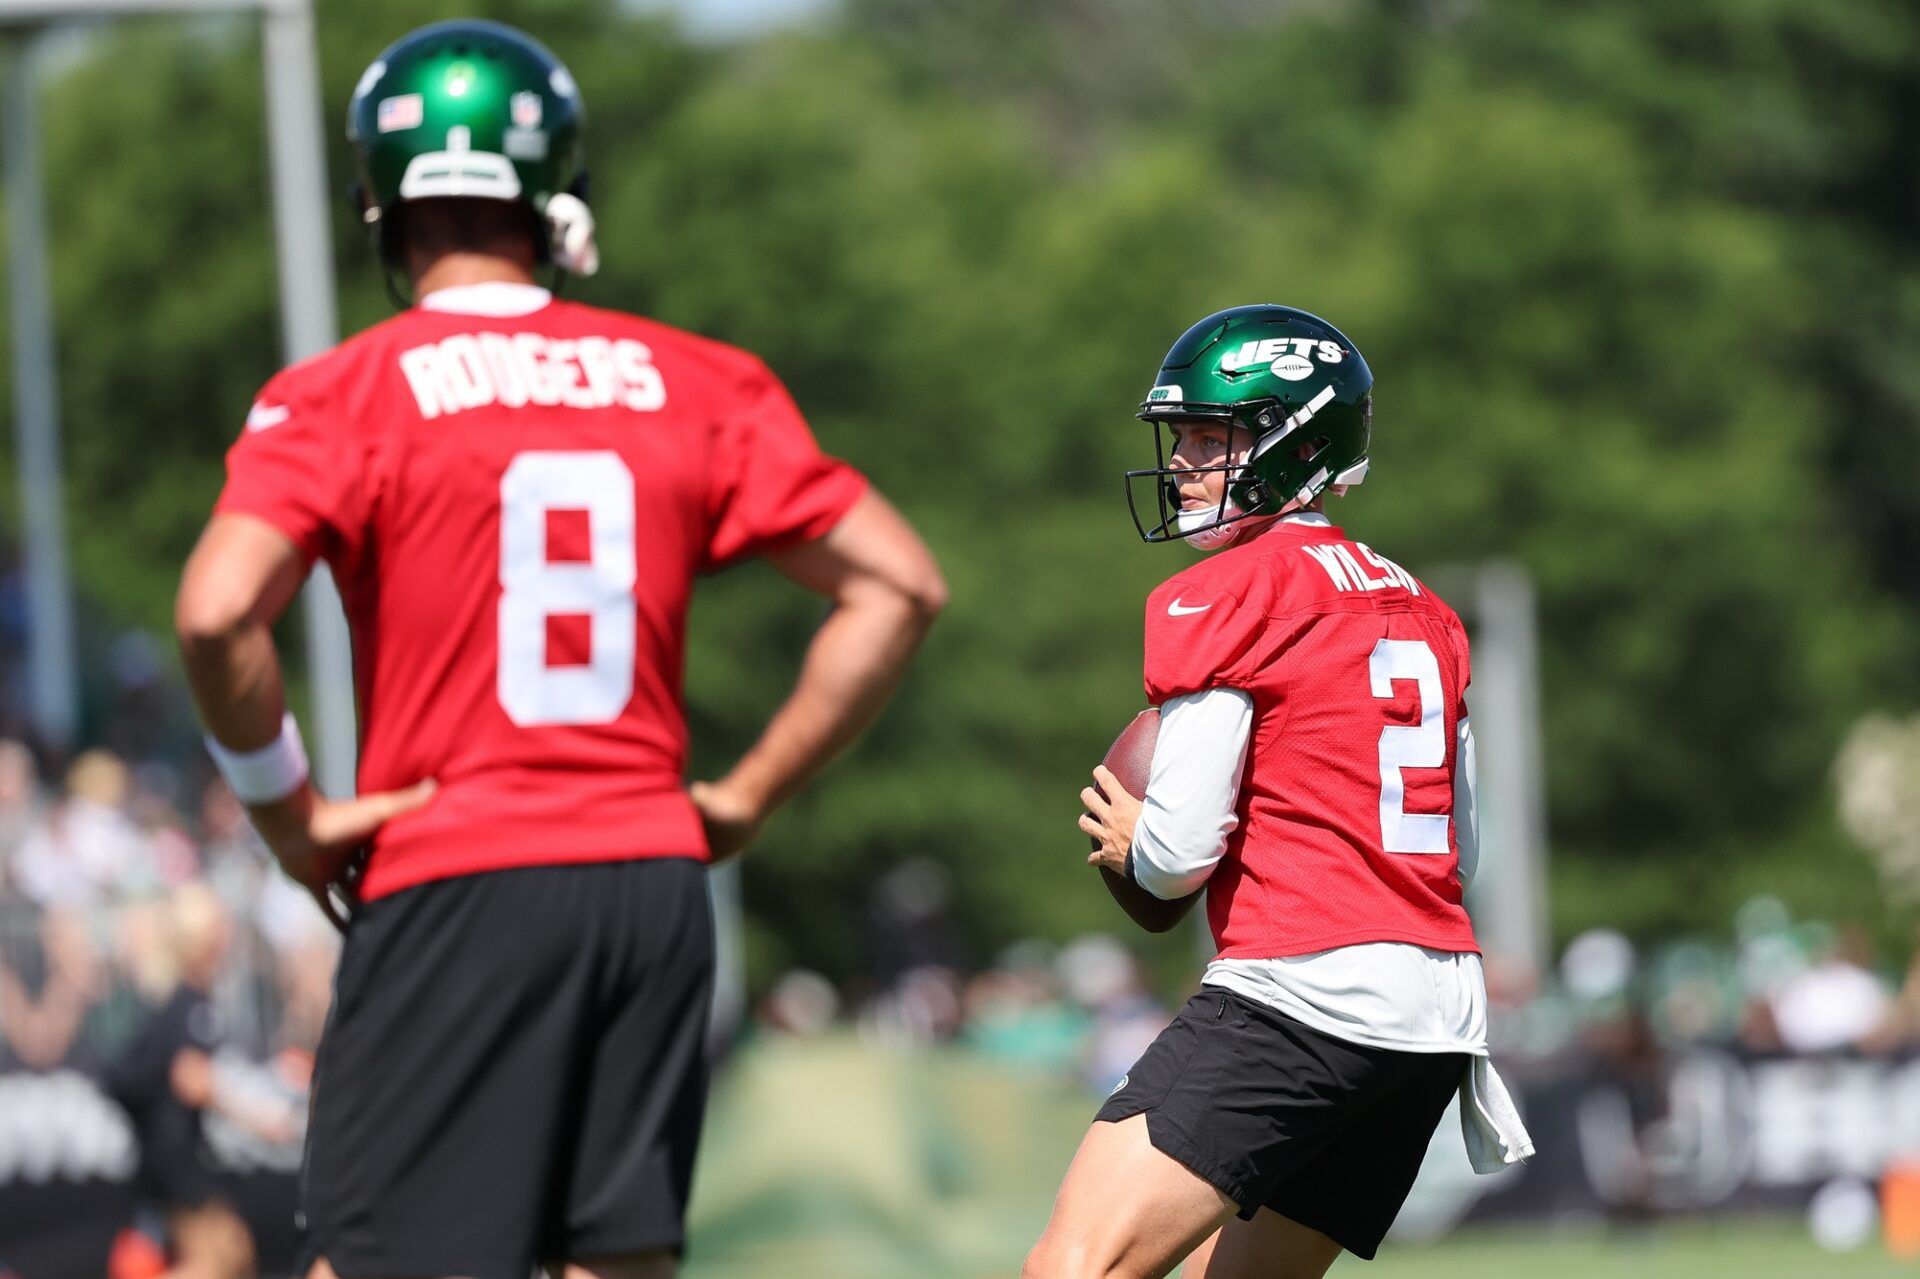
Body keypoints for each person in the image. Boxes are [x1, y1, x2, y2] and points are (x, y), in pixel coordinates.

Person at [173, 20, 944, 1279]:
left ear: (378, 196)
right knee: (613, 1261)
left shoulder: (347, 389)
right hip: (650, 879)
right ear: (557, 194)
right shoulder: (697, 378)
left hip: (459, 873)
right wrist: (744, 794)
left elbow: (215, 611)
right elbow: (900, 583)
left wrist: (291, 817)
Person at [1025, 305, 1531, 1279]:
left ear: (1295, 443)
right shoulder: (1425, 604)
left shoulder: (1225, 590)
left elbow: (1175, 862)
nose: (1181, 463)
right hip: (1433, 1012)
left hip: (1305, 987)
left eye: (1212, 437)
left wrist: (1133, 835)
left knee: (1075, 1266)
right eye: (1183, 439)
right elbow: (1461, 844)